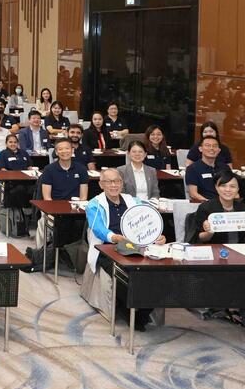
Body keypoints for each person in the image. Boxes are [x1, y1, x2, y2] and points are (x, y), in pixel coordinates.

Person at [83, 168, 165, 332]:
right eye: (109, 182)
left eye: (117, 181)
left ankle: (143, 308)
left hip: (136, 246)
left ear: (122, 183)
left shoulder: (133, 201)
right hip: (107, 248)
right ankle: (131, 311)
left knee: (157, 271)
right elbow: (98, 229)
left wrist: (157, 235)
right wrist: (116, 238)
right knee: (124, 275)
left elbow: (149, 219)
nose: (114, 185)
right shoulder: (94, 205)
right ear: (101, 184)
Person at [191, 171, 245, 345]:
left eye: (232, 186)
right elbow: (199, 239)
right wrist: (208, 232)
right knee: (238, 276)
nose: (228, 189)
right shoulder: (206, 208)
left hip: (239, 253)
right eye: (223, 185)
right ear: (216, 188)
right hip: (214, 254)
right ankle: (233, 307)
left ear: (238, 189)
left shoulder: (244, 209)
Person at [184, 136, 225, 203]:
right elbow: (193, 194)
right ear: (200, 149)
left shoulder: (224, 167)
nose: (211, 148)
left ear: (219, 150)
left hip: (225, 204)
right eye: (207, 145)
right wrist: (209, 203)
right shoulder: (192, 168)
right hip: (205, 205)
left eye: (215, 146)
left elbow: (233, 190)